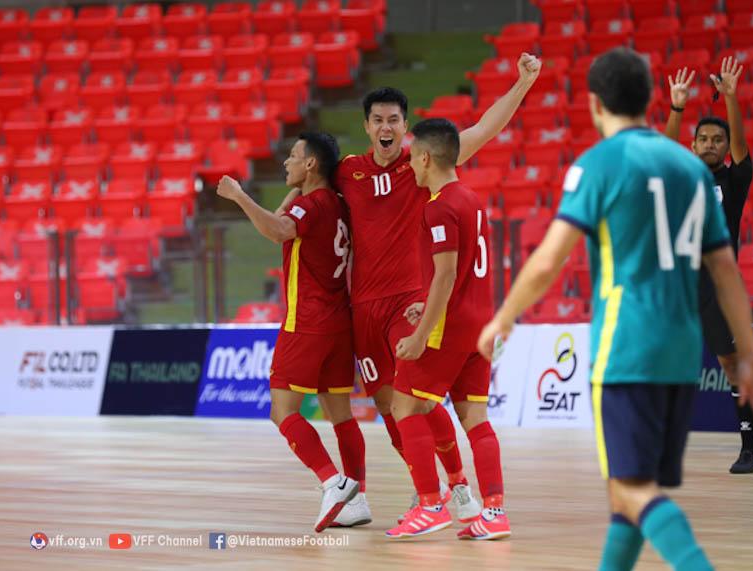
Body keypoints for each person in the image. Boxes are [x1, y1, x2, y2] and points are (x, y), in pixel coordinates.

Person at [478, 48, 753, 570]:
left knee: (633, 492)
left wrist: (503, 319)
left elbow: (549, 261)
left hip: (628, 346)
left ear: (594, 103)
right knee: (629, 496)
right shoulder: (689, 170)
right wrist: (751, 353)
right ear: (648, 100)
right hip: (682, 351)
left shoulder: (600, 163)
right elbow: (727, 267)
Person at [324, 53, 540, 520]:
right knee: (388, 405)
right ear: (366, 126)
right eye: (378, 119)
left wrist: (522, 85)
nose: (386, 126)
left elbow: (485, 128)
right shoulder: (348, 172)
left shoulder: (421, 163)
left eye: (395, 120)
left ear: (406, 127)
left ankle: (455, 487)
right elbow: (309, 187)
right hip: (364, 306)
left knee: (416, 401)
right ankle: (435, 490)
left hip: (411, 303)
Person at [216, 132, 367, 532]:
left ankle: (332, 482)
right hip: (339, 322)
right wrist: (290, 196)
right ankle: (358, 496)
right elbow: (288, 220)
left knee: (282, 411)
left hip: (307, 323)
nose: (286, 162)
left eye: (293, 156)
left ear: (311, 164)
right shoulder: (335, 202)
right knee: (341, 416)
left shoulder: (311, 206)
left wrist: (239, 196)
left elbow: (280, 231)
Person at [383, 118, 509, 541]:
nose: (411, 166)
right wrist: (427, 303)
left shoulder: (437, 205)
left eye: (414, 157)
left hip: (449, 328)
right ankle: (494, 513)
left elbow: (447, 272)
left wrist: (421, 334)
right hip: (480, 323)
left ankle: (430, 505)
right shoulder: (471, 198)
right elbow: (461, 274)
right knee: (475, 416)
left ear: (425, 157)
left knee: (406, 408)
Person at [665, 58, 753, 474]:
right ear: (693, 145)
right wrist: (677, 108)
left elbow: (741, 146)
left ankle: (749, 449)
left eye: (717, 140)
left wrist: (734, 98)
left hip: (719, 289)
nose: (709, 144)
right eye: (702, 139)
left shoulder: (734, 182)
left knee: (731, 366)